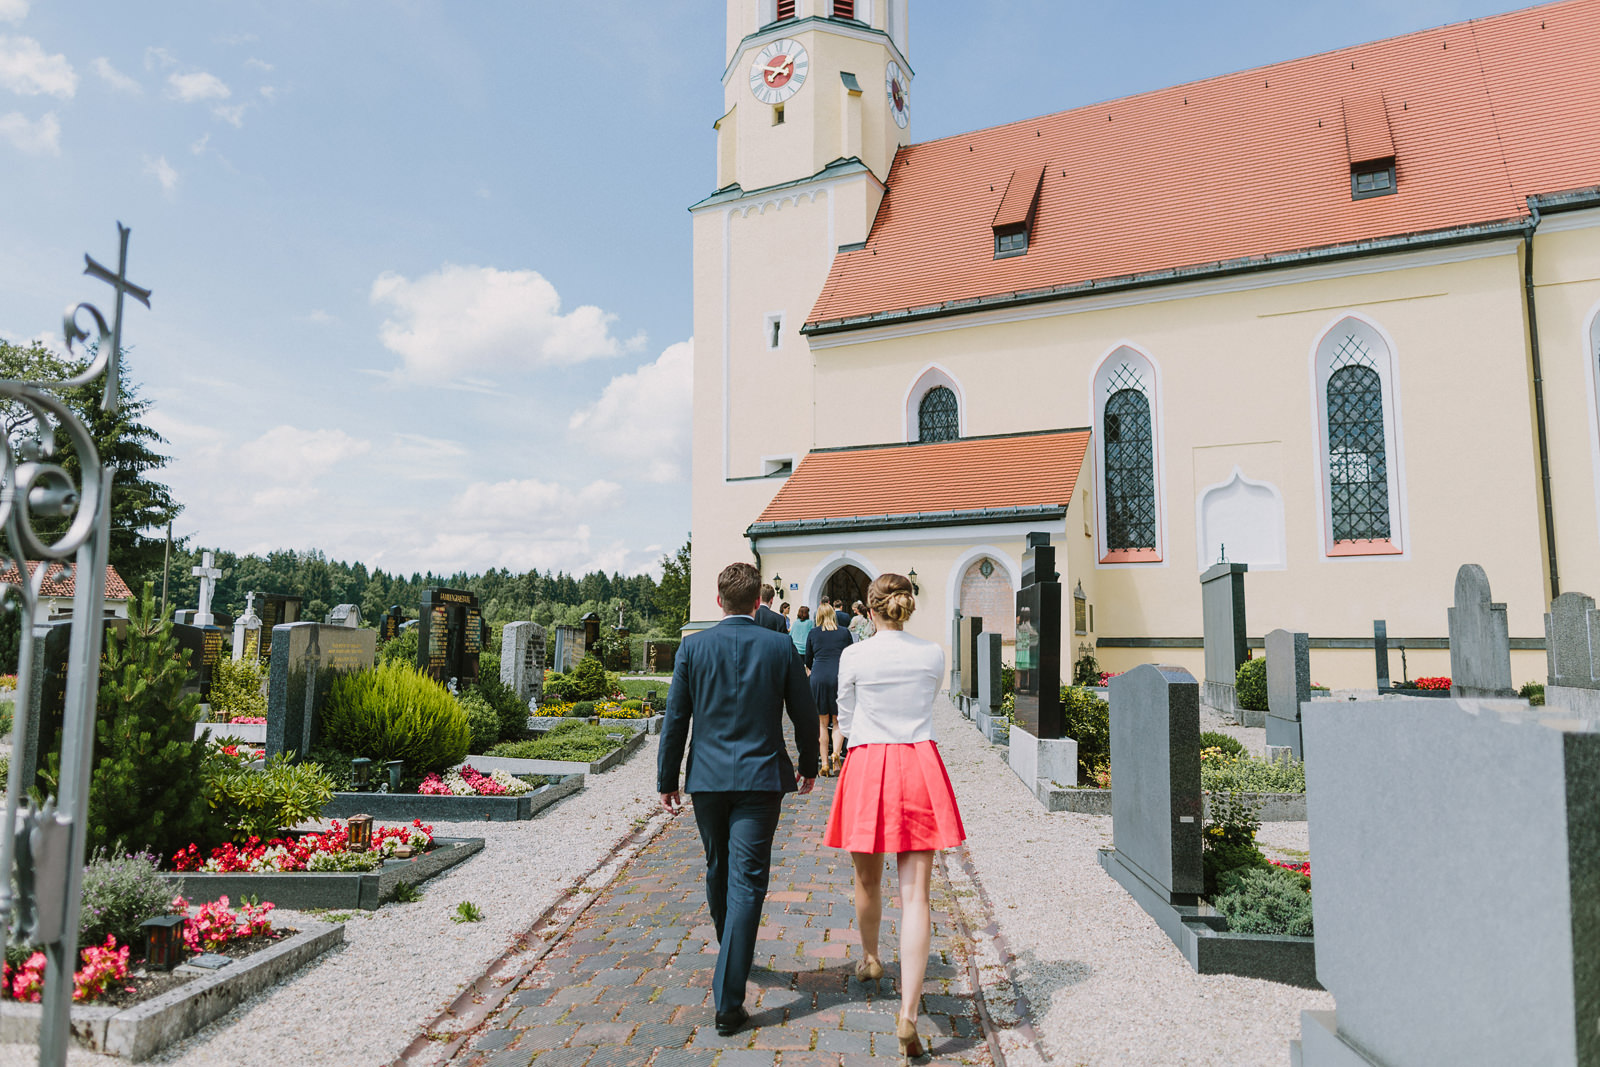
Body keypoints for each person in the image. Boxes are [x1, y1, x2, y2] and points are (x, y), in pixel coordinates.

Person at [659, 562, 820, 1036]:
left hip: (707, 779)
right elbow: (805, 712)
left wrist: (668, 778)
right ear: (757, 602)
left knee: (718, 868)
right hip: (760, 777)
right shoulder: (778, 645)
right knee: (746, 880)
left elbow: (676, 719)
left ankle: (731, 963)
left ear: (718, 601)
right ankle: (730, 994)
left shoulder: (693, 647)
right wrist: (809, 764)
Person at [824, 573, 965, 1062]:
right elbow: (928, 701)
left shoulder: (854, 654)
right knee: (916, 894)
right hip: (917, 763)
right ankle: (908, 1012)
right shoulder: (932, 654)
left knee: (868, 881)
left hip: (867, 762)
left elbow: (845, 713)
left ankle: (870, 959)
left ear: (869, 608)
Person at [805, 603, 854, 776]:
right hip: (839, 676)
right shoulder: (844, 632)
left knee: (822, 723)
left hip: (819, 677)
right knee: (838, 721)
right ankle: (836, 754)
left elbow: (808, 659)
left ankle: (824, 763)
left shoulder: (813, 633)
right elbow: (850, 654)